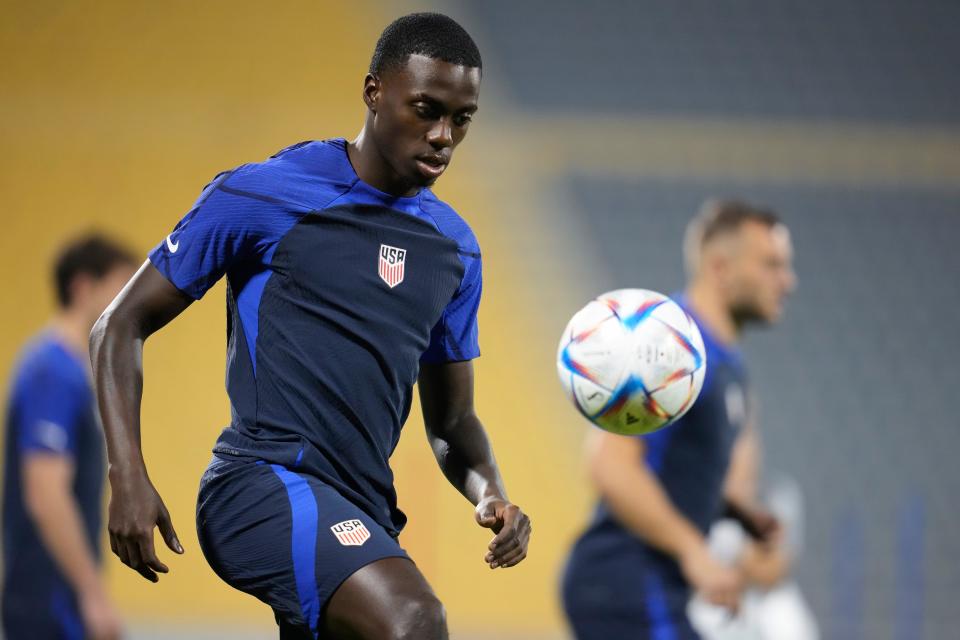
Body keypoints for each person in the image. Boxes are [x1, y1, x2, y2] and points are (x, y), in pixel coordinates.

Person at [89, 12, 531, 640]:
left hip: (364, 510)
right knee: (414, 619)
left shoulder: (456, 249)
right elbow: (118, 325)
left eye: (461, 120)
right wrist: (127, 475)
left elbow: (453, 422)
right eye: (426, 109)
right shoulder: (264, 195)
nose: (442, 136)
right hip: (261, 485)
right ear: (374, 92)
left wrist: (490, 493)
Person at [561, 200, 797, 639]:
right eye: (771, 265)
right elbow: (609, 466)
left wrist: (735, 511)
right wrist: (695, 553)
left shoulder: (726, 363)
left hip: (650, 585)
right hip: (628, 577)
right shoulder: (666, 349)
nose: (788, 281)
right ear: (721, 267)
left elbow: (669, 469)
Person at [3, 234, 136, 640]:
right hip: (46, 599)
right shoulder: (52, 371)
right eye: (123, 287)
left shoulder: (72, 372)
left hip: (58, 596)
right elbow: (46, 494)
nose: (133, 302)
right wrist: (92, 595)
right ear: (83, 288)